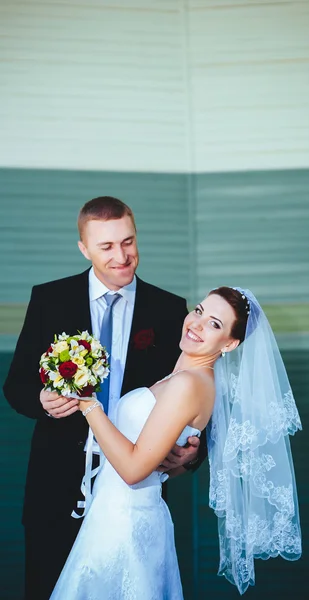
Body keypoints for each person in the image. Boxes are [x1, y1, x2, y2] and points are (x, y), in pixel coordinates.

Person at [3, 197, 203, 600]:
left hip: (134, 494)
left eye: (128, 242)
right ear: (84, 248)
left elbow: (192, 394)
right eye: (107, 246)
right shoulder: (49, 299)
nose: (122, 256)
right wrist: (42, 399)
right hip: (55, 492)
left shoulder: (169, 310)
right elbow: (16, 386)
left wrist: (194, 454)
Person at [50, 286, 302, 599]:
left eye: (214, 324)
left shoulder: (188, 384)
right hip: (113, 516)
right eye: (199, 311)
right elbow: (160, 459)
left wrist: (87, 403)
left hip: (126, 524)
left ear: (230, 343)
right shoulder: (181, 377)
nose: (196, 324)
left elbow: (132, 470)